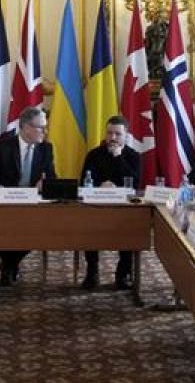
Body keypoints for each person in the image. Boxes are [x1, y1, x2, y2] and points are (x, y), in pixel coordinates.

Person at [0, 106, 56, 286]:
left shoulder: (46, 149)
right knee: (1, 229)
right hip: (6, 205)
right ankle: (10, 266)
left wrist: (45, 184)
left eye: (45, 127)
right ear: (25, 127)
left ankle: (9, 265)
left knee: (37, 231)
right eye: (40, 127)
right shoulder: (4, 146)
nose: (45, 131)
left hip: (33, 206)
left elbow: (52, 179)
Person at [79, 116, 140, 290]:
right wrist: (100, 186)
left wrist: (118, 158)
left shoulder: (133, 156)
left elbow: (135, 184)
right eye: (109, 133)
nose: (112, 138)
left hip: (124, 209)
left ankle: (123, 273)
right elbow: (83, 182)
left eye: (117, 134)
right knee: (89, 226)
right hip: (96, 207)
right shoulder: (94, 154)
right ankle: (92, 271)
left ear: (126, 136)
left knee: (131, 228)